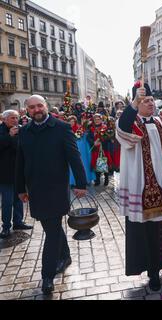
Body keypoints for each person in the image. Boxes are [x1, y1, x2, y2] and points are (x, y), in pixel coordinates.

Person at [15, 95, 87, 295]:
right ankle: (65, 256)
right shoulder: (24, 132)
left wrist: (81, 183)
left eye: (40, 106)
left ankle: (47, 275)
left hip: (56, 189)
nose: (36, 109)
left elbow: (74, 156)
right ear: (27, 110)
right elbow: (20, 162)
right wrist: (20, 188)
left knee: (52, 231)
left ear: (46, 106)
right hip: (35, 190)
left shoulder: (62, 128)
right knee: (51, 228)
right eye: (32, 107)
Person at [116, 83, 162, 291]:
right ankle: (152, 271)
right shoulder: (130, 121)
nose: (151, 104)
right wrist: (134, 102)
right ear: (137, 104)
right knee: (148, 232)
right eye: (146, 101)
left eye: (152, 100)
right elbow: (123, 128)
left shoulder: (159, 121)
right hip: (143, 186)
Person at [0, 110, 33, 239]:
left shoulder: (21, 130)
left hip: (18, 172)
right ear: (4, 119)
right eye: (12, 118)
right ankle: (6, 227)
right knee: (7, 202)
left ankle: (18, 222)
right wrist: (10, 136)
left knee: (19, 199)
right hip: (4, 174)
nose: (15, 120)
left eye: (16, 118)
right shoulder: (2, 130)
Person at [87, 114, 112, 186]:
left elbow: (109, 137)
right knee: (96, 164)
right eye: (95, 120)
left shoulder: (105, 128)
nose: (97, 121)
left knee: (104, 164)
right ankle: (97, 179)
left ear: (101, 120)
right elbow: (88, 138)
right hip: (95, 149)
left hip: (103, 148)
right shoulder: (91, 128)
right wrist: (93, 142)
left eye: (98, 119)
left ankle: (106, 179)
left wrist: (102, 140)